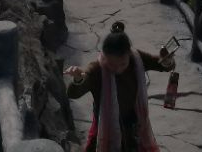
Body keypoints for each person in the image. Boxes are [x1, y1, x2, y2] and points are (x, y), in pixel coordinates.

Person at [65, 21, 174, 152]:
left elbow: (161, 64)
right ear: (103, 56)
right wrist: (78, 78)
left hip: (132, 123)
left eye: (122, 64)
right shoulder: (96, 69)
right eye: (111, 64)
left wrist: (167, 61)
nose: (117, 69)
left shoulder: (136, 59)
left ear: (129, 54)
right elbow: (73, 93)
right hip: (104, 126)